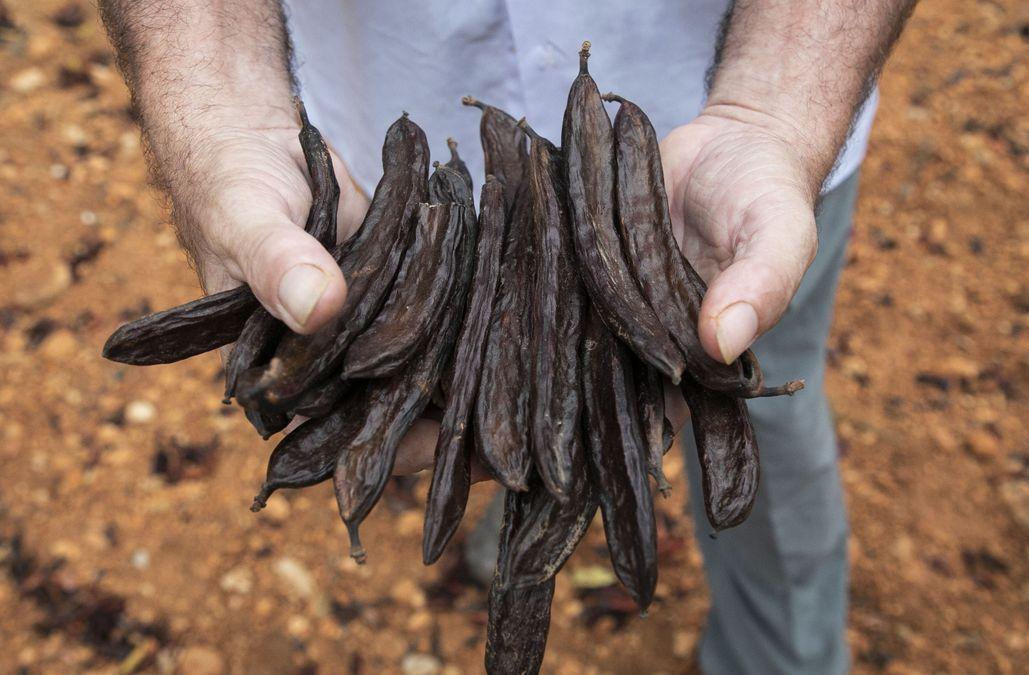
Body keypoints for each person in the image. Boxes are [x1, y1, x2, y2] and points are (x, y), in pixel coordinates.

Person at [99, 1, 915, 672]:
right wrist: (217, 112)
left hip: (711, 174)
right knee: (491, 400)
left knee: (735, 388)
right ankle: (529, 451)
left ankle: (783, 655)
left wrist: (775, 111)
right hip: (389, 195)